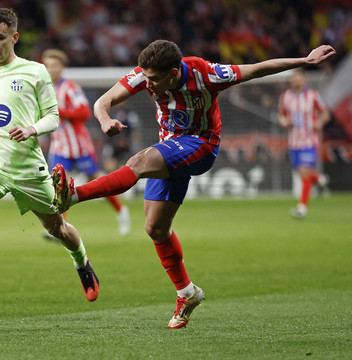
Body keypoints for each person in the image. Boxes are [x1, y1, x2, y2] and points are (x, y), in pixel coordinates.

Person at [52, 40, 336, 328]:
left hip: (201, 145)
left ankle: (74, 195)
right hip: (171, 145)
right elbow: (103, 101)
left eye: (154, 79)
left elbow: (257, 69)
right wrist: (104, 120)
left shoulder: (206, 74)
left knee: (137, 163)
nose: (148, 85)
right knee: (155, 228)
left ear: (174, 73)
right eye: (146, 77)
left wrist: (304, 60)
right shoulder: (145, 73)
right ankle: (187, 292)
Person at [0, 8, 99, 306]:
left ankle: (83, 265)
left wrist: (32, 129)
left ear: (14, 37)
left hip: (28, 165)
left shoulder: (35, 71)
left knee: (58, 229)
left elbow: (53, 117)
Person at [41, 49, 131, 237]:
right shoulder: (45, 89)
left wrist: (58, 112)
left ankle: (121, 211)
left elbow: (84, 112)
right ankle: (60, 225)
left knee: (95, 181)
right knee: (59, 184)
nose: (50, 69)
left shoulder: (70, 88)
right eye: (47, 66)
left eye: (54, 66)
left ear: (62, 68)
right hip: (59, 146)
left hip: (79, 146)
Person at [278, 69, 330, 219]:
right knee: (302, 173)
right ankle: (319, 179)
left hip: (309, 140)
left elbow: (325, 113)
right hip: (294, 141)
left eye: (299, 78)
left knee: (303, 171)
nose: (296, 81)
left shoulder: (313, 96)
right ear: (291, 82)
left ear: (304, 80)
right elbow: (281, 115)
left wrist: (319, 122)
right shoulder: (285, 97)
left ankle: (302, 208)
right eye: (294, 79)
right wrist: (283, 121)